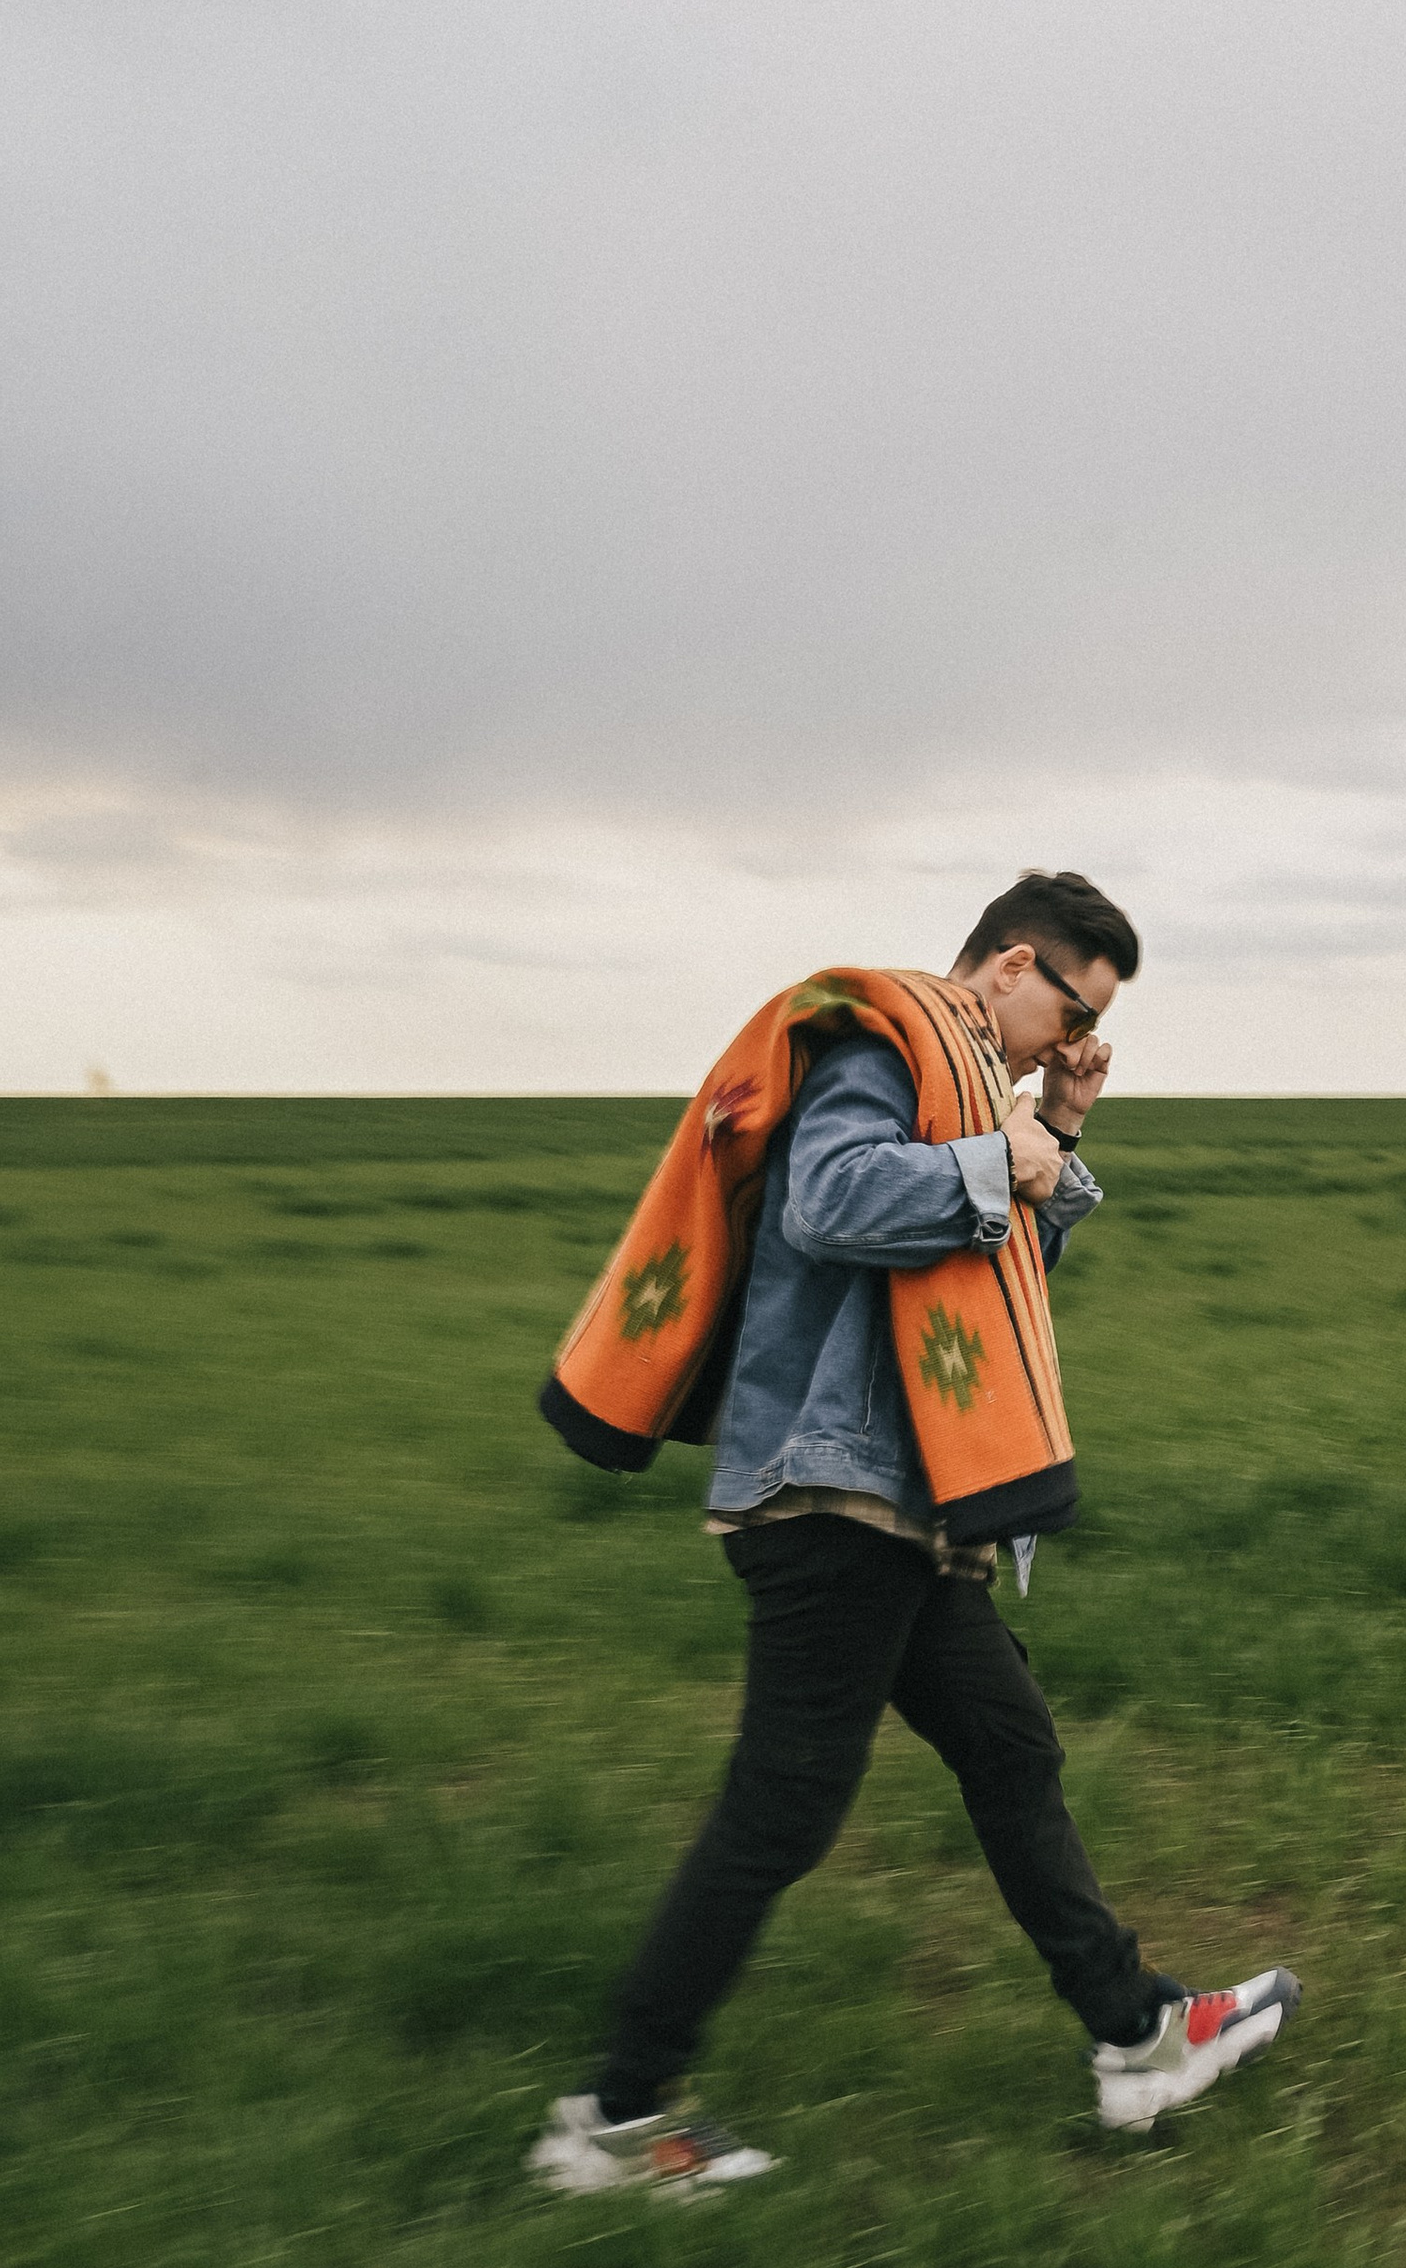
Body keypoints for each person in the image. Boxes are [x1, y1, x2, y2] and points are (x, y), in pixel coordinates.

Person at [528, 870, 1298, 2196]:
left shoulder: (971, 1093)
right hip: (833, 1497)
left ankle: (1136, 2036)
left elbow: (984, 1284)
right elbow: (832, 1199)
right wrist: (1009, 1153)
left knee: (1009, 1748)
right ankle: (611, 2119)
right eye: (1073, 1013)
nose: (1076, 1043)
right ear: (1009, 966)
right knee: (782, 1812)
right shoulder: (885, 1042)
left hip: (899, 1506)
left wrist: (1047, 1131)